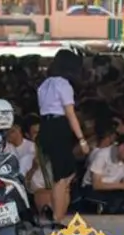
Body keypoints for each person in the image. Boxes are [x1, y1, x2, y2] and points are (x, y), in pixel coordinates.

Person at [37, 49, 88, 224]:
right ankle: (57, 219)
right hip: (59, 127)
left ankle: (56, 214)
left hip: (45, 127)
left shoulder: (44, 85)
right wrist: (81, 139)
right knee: (62, 177)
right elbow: (70, 113)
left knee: (65, 175)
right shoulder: (64, 85)